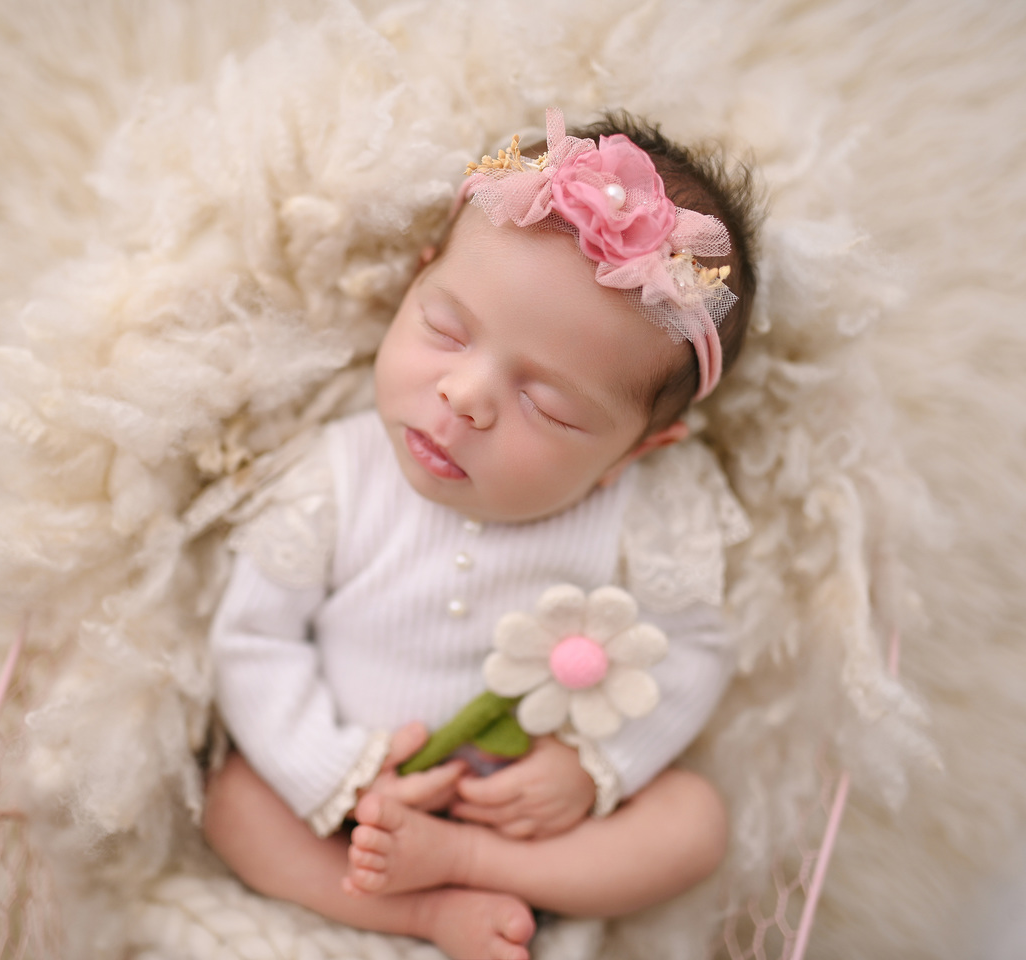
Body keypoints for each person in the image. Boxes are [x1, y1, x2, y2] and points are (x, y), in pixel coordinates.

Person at [202, 108, 760, 960]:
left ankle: (472, 869)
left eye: (549, 405)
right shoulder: (335, 478)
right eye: (446, 330)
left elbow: (692, 649)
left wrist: (593, 767)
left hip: (531, 829)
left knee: (694, 822)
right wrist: (338, 772)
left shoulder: (646, 513)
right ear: (414, 280)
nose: (464, 396)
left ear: (634, 453)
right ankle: (422, 915)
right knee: (233, 802)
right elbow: (253, 642)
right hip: (353, 809)